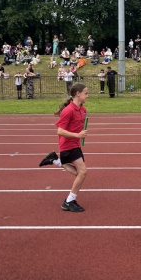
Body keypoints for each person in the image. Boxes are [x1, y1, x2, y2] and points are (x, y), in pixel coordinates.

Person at [40, 83, 89, 212]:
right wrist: (77, 135)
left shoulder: (83, 110)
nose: (87, 96)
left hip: (75, 144)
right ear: (78, 94)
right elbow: (60, 131)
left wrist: (80, 134)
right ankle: (69, 201)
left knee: (80, 173)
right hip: (67, 145)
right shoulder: (68, 110)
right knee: (82, 172)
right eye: (85, 93)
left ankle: (55, 160)